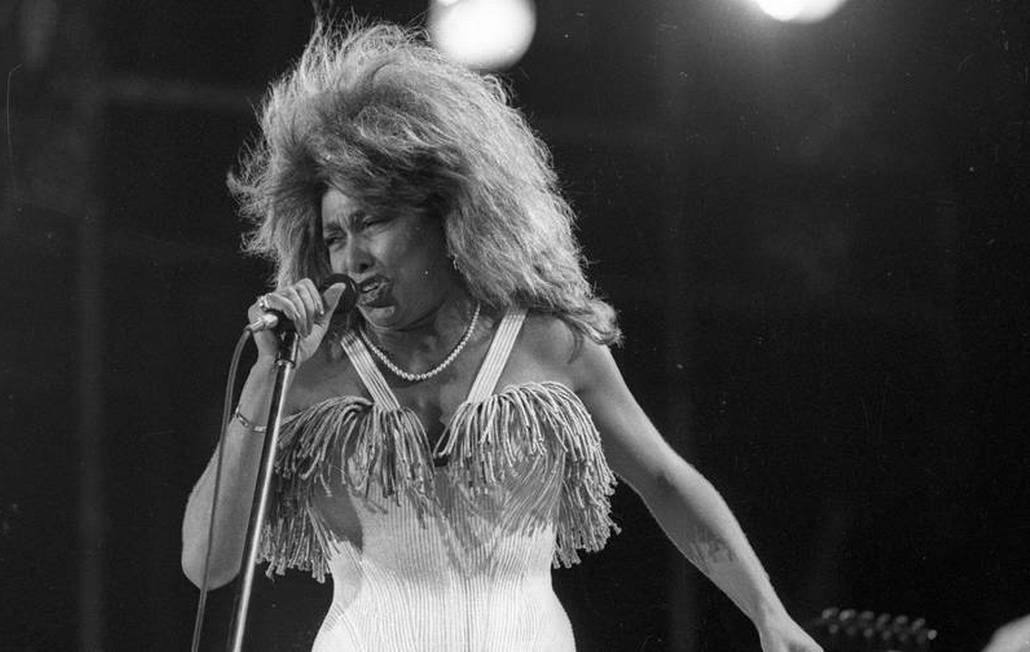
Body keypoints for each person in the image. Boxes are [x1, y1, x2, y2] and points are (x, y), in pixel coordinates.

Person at [181, 22, 821, 652]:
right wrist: (270, 377)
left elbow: (665, 481)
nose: (353, 258)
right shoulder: (309, 371)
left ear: (447, 214)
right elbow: (206, 565)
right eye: (333, 236)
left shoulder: (549, 344)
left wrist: (770, 616)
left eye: (372, 222)